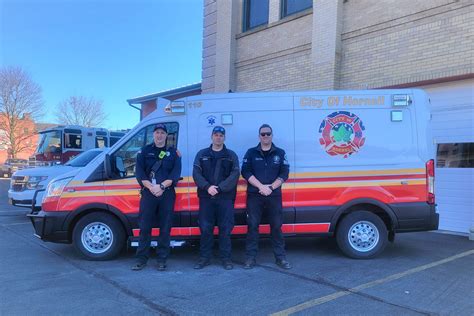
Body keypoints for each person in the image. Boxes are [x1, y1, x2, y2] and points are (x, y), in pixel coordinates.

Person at [131, 123, 181, 271]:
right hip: (148, 193)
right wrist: (152, 187)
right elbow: (140, 174)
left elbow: (175, 174)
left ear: (166, 135)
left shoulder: (174, 153)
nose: (159, 135)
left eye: (162, 133)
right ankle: (141, 260)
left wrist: (161, 187)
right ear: (153, 135)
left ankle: (162, 259)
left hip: (166, 193)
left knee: (165, 228)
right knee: (145, 228)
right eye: (157, 132)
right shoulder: (144, 151)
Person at [241, 124, 291, 269]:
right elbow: (246, 172)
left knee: (276, 227)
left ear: (272, 135)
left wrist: (270, 187)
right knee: (252, 226)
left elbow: (284, 173)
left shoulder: (280, 153)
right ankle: (250, 258)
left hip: (274, 195)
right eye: (263, 134)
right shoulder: (251, 153)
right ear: (259, 136)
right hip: (254, 196)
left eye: (268, 134)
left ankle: (280, 258)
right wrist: (261, 187)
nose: (265, 136)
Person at [192, 126, 240, 270]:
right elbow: (196, 174)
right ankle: (204, 258)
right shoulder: (201, 154)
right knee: (206, 229)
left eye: (221, 135)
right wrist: (208, 187)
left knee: (225, 229)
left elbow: (235, 175)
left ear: (224, 137)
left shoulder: (231, 155)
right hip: (206, 198)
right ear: (211, 136)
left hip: (225, 198)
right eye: (216, 135)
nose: (218, 137)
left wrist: (220, 188)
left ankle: (226, 259)